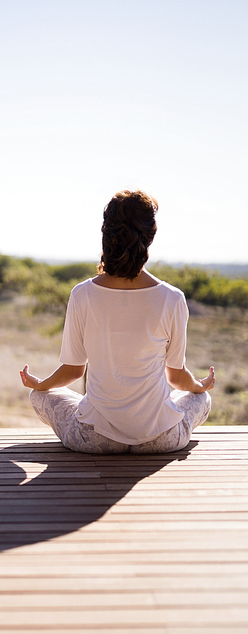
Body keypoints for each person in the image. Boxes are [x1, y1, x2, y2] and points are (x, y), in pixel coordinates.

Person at [20, 190, 215, 453]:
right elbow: (177, 377)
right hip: (160, 440)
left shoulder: (82, 293)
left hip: (94, 439)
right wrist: (199, 386)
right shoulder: (172, 298)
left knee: (39, 396)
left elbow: (73, 371)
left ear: (106, 234)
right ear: (150, 237)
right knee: (201, 398)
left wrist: (40, 384)